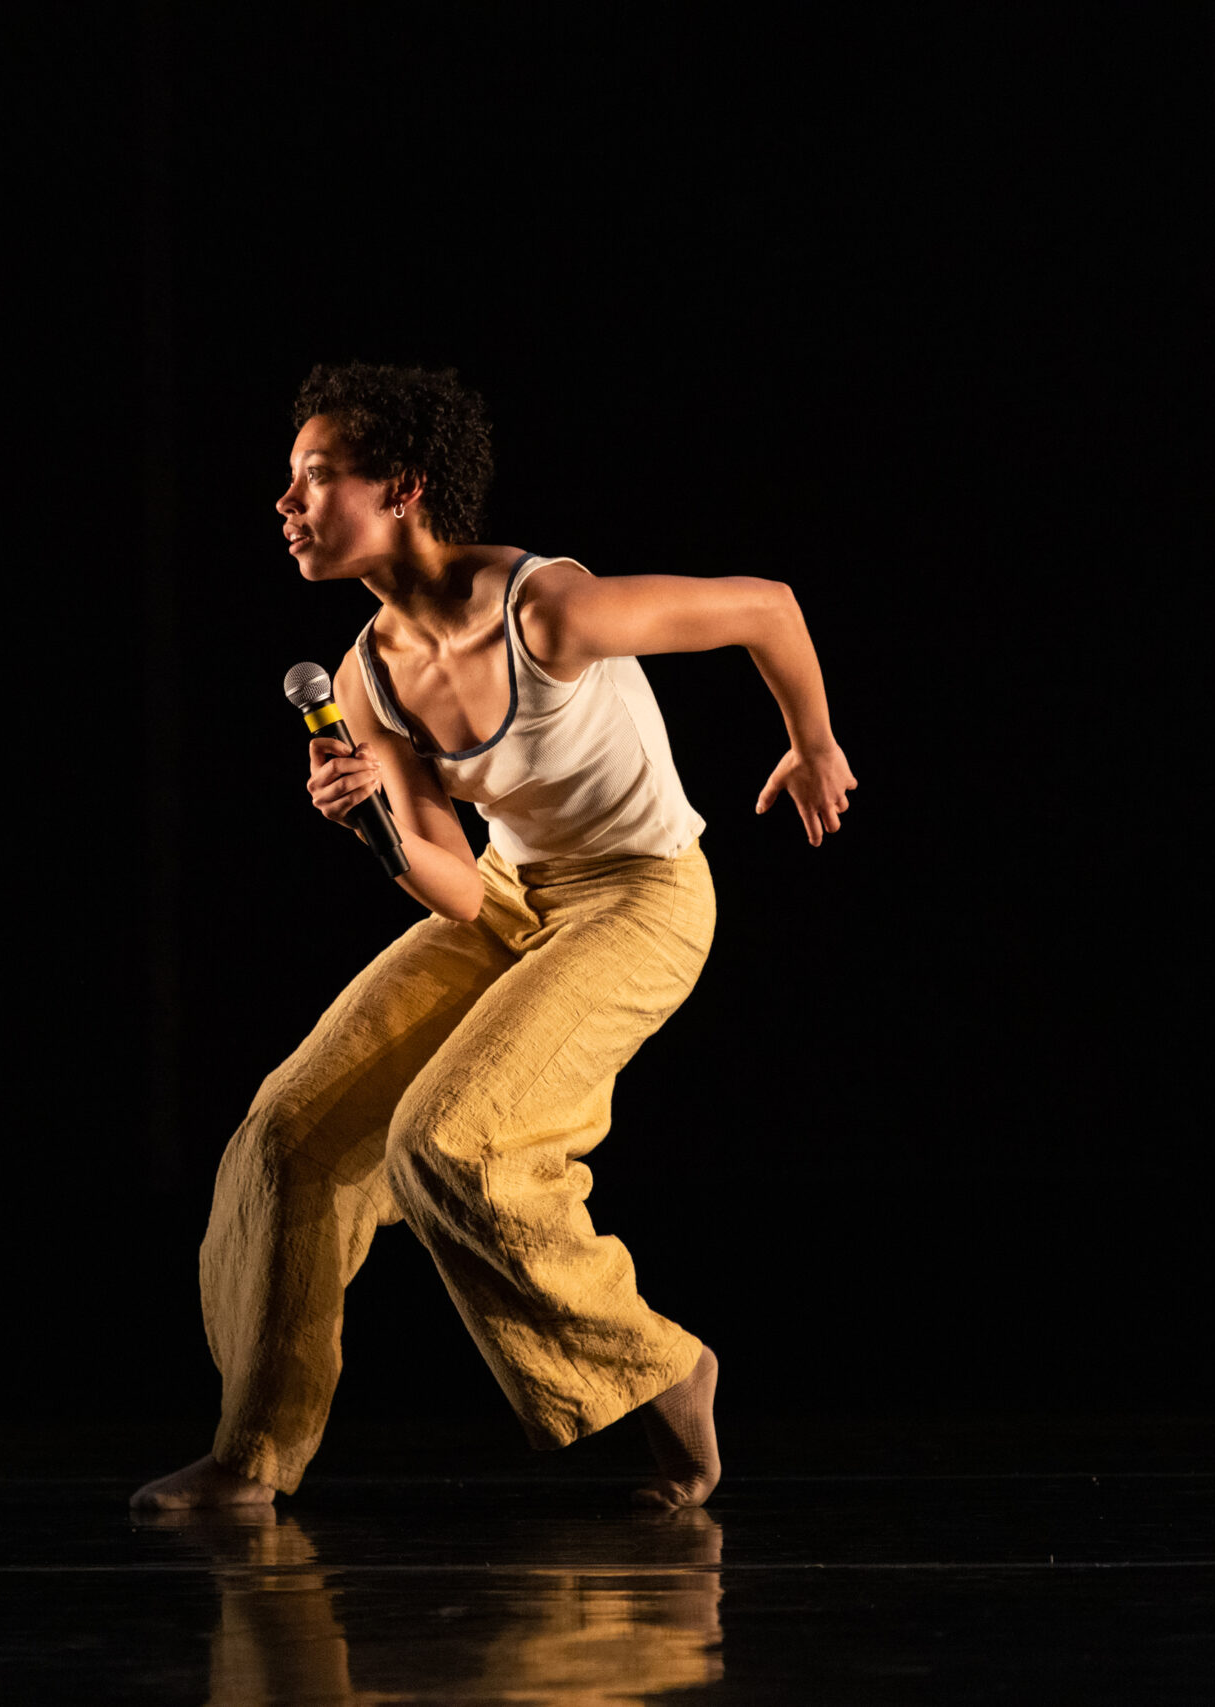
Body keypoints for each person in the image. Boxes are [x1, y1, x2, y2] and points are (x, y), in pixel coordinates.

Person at [133, 362, 856, 1512]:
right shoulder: (368, 674)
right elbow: (461, 894)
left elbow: (765, 606)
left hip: (641, 896)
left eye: (317, 478)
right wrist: (374, 826)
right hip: (513, 898)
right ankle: (250, 1459)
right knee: (288, 1134)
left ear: (405, 489)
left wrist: (811, 742)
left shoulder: (548, 611)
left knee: (446, 1141)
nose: (287, 504)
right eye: (289, 480)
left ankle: (660, 1368)